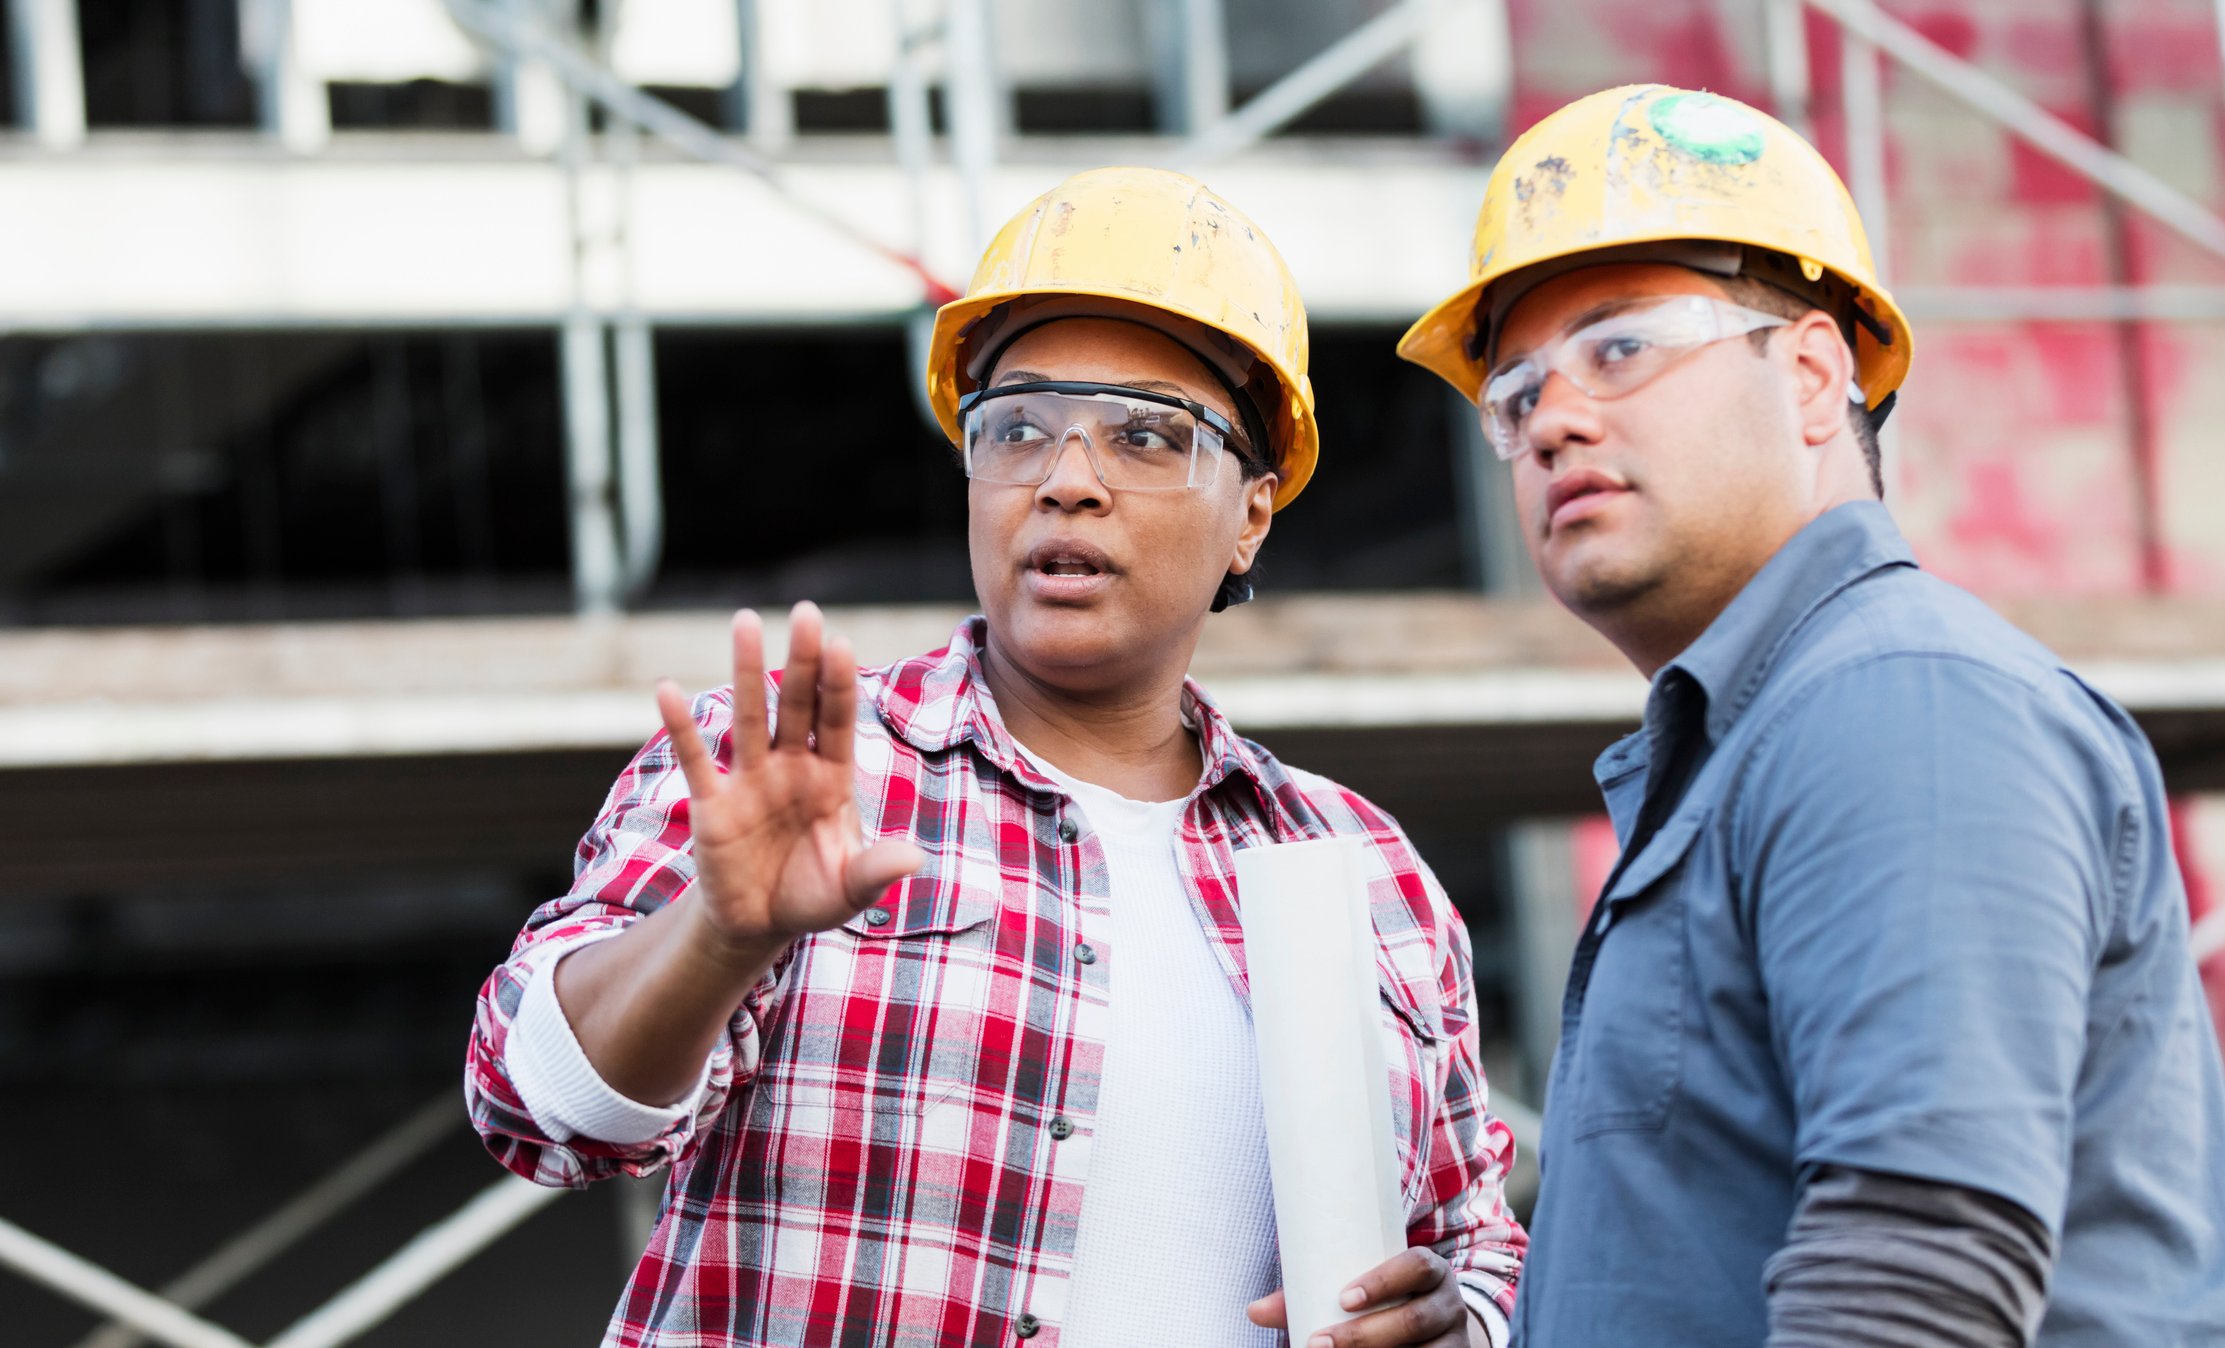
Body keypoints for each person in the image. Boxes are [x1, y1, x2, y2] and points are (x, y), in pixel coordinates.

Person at [467, 166, 1526, 1348]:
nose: (1066, 481)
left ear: (1252, 514)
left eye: (1144, 435)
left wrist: (1459, 1319)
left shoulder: (1363, 871)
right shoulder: (789, 766)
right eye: (1016, 426)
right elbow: (534, 1109)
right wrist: (715, 936)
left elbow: (1474, 1240)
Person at [1398, 85, 2225, 1346]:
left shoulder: (1901, 706)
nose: (1553, 417)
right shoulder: (1765, 742)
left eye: (1620, 346)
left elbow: (1915, 1278)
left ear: (1809, 373)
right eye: (1514, 394)